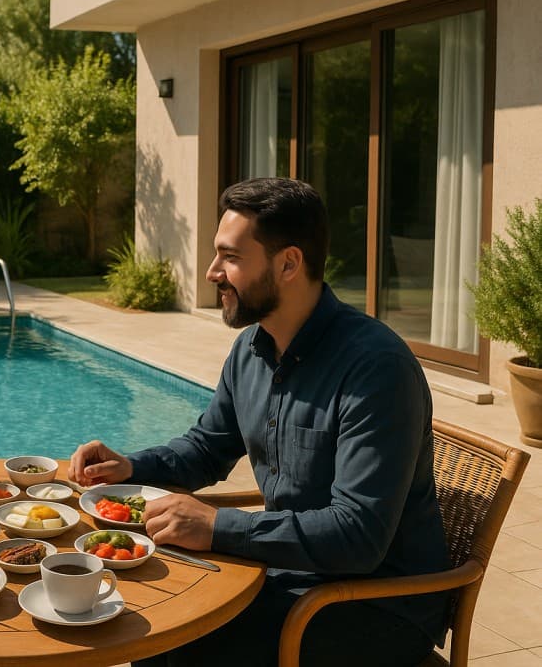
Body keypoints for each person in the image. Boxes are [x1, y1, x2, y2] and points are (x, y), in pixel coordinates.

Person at [68, 178, 449, 666]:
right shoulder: (251, 350)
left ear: (288, 264)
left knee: (174, 643)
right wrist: (129, 467)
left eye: (230, 257)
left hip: (377, 605)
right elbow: (207, 447)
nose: (212, 272)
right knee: (152, 622)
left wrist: (217, 526)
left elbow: (357, 536)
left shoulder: (376, 369)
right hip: (290, 575)